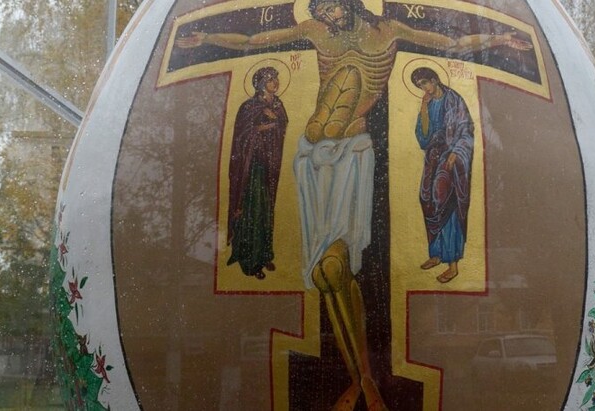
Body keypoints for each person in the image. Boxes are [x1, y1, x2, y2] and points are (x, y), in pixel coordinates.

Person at [177, 2, 530, 408]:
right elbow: (253, 41)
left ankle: (363, 378)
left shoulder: (389, 31)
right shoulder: (317, 32)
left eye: (330, 8)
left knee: (334, 267)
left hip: (353, 153)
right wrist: (205, 38)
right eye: (320, 11)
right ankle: (361, 378)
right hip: (311, 158)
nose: (326, 16)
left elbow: (450, 42)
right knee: (325, 276)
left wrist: (500, 39)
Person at [411, 67, 474, 284]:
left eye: (425, 83)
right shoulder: (428, 104)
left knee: (446, 200)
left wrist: (456, 152)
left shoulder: (454, 100)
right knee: (427, 199)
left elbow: (466, 129)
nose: (424, 88)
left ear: (435, 80)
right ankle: (436, 254)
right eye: (420, 86)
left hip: (451, 158)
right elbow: (423, 138)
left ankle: (453, 264)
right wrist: (424, 108)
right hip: (433, 157)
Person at [227, 67, 288, 280]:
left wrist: (275, 121)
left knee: (266, 209)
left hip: (269, 165)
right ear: (261, 84)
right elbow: (242, 136)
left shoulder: (278, 105)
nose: (275, 83)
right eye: (271, 80)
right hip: (252, 168)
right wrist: (264, 125)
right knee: (252, 210)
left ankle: (265, 254)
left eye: (276, 79)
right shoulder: (249, 107)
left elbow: (282, 126)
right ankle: (250, 261)